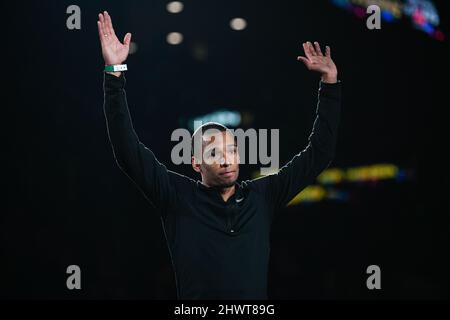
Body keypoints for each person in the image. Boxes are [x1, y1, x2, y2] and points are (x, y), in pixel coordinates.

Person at [98, 10, 341, 299]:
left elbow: (319, 154)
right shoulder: (177, 197)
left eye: (231, 150)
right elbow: (127, 149)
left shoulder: (262, 196)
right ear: (196, 163)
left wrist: (330, 84)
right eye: (214, 152)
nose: (226, 159)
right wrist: (114, 74)